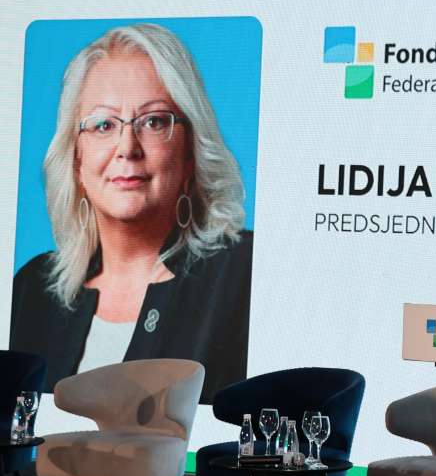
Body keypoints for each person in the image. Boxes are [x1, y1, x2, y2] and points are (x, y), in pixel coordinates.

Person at [9, 23, 253, 403]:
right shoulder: (32, 290)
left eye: (153, 122)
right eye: (104, 125)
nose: (127, 147)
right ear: (76, 159)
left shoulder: (242, 272)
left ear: (190, 152)